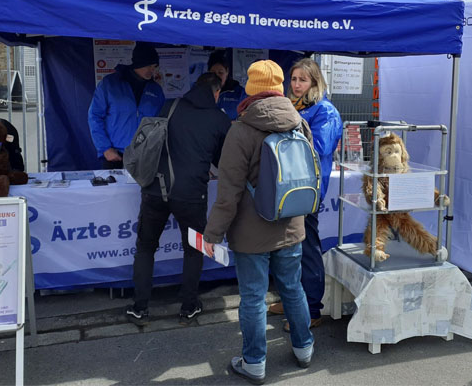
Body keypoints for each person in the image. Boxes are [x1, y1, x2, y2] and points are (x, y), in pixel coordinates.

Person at [203, 60, 315, 384]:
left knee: (253, 297)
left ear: (250, 90)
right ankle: (304, 347)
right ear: (280, 88)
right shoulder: (299, 123)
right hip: (292, 225)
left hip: (251, 234)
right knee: (293, 288)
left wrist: (212, 234)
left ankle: (254, 362)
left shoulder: (240, 130)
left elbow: (229, 193)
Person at [126, 73, 231, 326]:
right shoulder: (219, 118)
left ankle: (140, 308)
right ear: (216, 93)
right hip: (191, 194)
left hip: (155, 189)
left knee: (145, 247)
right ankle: (188, 307)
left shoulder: (170, 105)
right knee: (193, 250)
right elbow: (223, 161)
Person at [269, 58, 342, 332]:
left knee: (307, 247)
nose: (296, 84)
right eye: (294, 78)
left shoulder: (325, 111)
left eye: (303, 79)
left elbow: (319, 147)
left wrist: (292, 123)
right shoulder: (293, 105)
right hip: (284, 186)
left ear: (314, 82)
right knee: (286, 247)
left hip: (307, 191)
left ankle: (312, 308)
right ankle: (291, 301)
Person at [88, 42, 165, 169]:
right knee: (115, 189)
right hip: (115, 156)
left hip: (146, 155)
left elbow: (162, 122)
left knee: (145, 189)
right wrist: (105, 149)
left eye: (155, 66)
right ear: (139, 63)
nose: (153, 69)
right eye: (149, 65)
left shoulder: (156, 90)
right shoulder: (110, 84)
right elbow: (95, 116)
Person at [207, 50, 246, 120]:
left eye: (220, 72)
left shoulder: (239, 93)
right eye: (213, 73)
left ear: (227, 72)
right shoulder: (200, 91)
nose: (217, 76)